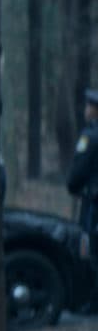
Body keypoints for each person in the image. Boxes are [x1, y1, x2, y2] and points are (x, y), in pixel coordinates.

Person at [67, 89, 98, 312]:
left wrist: (73, 187)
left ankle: (93, 301)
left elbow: (79, 170)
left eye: (89, 106)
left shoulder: (91, 136)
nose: (86, 110)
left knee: (90, 248)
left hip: (94, 202)